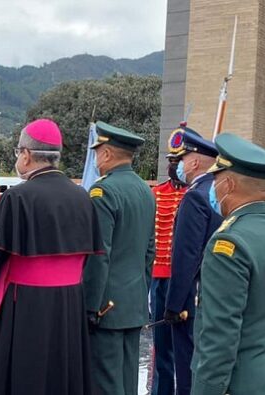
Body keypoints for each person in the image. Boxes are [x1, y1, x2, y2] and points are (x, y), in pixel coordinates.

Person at [0, 119, 102, 395]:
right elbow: (89, 256)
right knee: (63, 373)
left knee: (24, 374)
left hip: (27, 305)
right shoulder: (82, 197)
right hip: (69, 305)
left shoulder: (17, 197)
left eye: (18, 151)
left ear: (27, 154)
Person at [192, 132, 265, 395]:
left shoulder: (228, 243)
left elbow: (219, 337)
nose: (212, 188)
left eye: (215, 181)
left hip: (240, 385)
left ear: (228, 184)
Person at [84, 121, 156, 395]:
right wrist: (139, 291)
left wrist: (91, 306)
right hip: (133, 303)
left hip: (106, 307)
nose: (96, 159)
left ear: (107, 153)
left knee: (105, 383)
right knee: (127, 381)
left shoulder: (103, 192)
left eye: (97, 152)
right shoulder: (145, 191)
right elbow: (149, 251)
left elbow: (99, 254)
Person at [163, 127, 222, 395]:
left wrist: (174, 305)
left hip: (191, 300)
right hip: (214, 296)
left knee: (187, 370)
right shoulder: (220, 192)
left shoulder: (196, 197)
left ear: (195, 161)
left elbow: (186, 256)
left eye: (183, 159)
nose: (179, 167)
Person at [149, 152, 187, 395]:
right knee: (160, 343)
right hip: (158, 276)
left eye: (178, 162)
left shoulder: (195, 195)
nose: (173, 166)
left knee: (184, 345)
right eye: (171, 162)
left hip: (181, 279)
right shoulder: (157, 193)